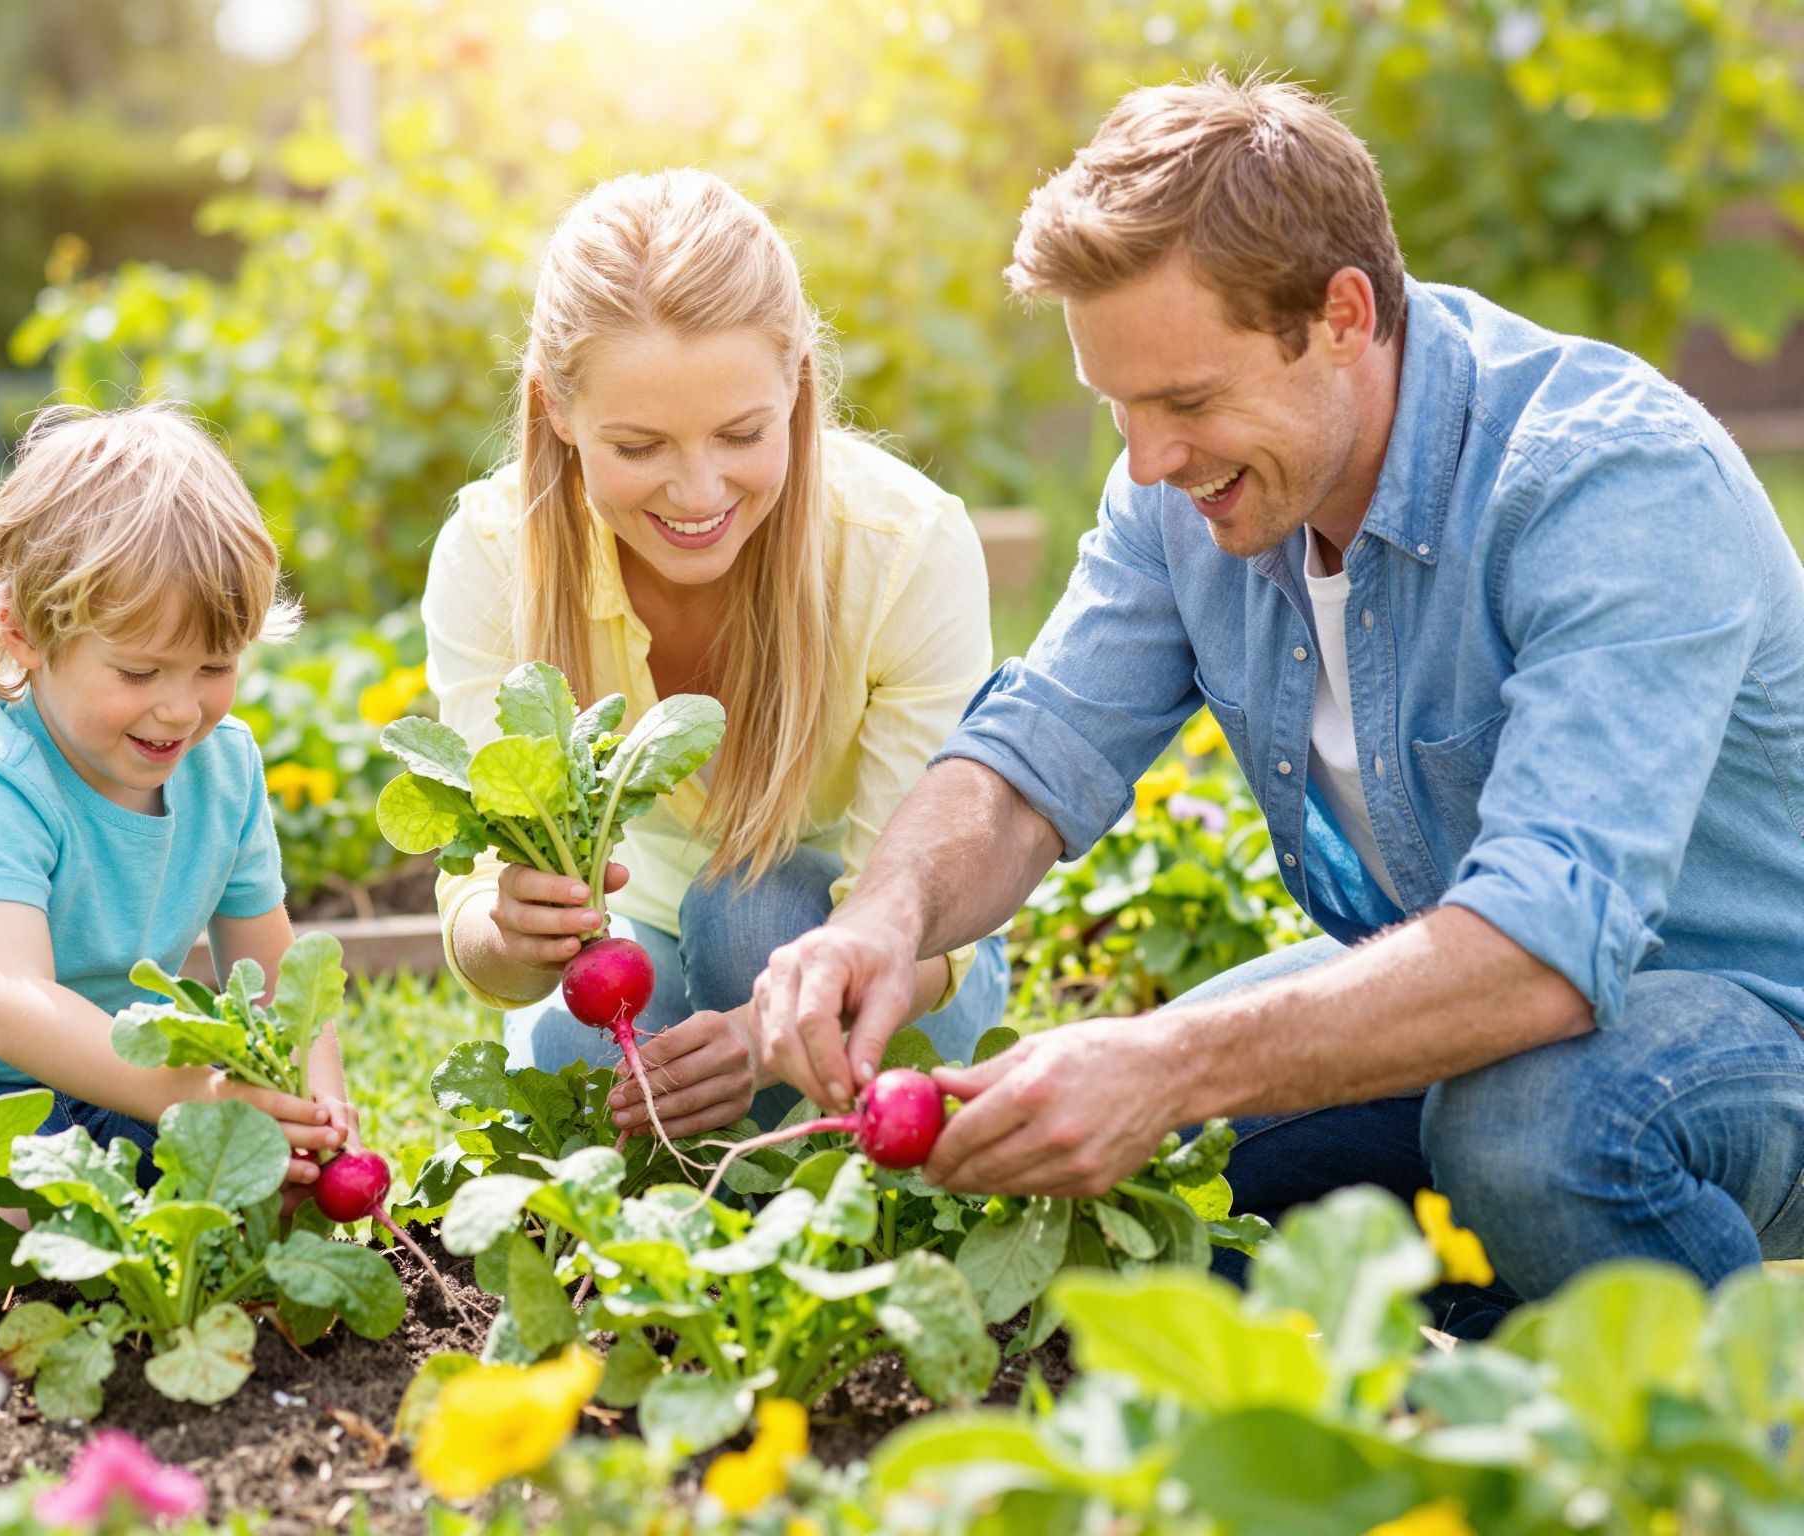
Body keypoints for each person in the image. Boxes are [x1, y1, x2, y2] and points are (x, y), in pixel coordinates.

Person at [747, 72, 1804, 1322]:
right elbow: (1032, 756)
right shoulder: (1191, 493)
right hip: (1472, 1030)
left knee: (1531, 1130)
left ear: (1342, 315)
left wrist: (1164, 1062)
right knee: (1140, 1188)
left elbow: (1542, 956)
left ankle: (1706, 1465)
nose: (1147, 461)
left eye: (1187, 401)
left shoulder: (1603, 484)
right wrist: (878, 919)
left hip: (1747, 1028)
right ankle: (1421, 1434)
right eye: (1120, 409)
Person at [421, 168, 1007, 1136]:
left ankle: (800, 1167)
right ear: (558, 412)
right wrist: (509, 934)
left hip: (883, 957)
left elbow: (923, 917)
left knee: (750, 911)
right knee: (577, 1054)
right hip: (643, 936)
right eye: (640, 446)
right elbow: (477, 914)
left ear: (796, 385)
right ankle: (732, 1180)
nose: (696, 494)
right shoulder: (494, 554)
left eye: (740, 434)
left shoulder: (904, 550)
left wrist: (754, 1034)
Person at [0, 403, 357, 1196]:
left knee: (236, 1184)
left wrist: (318, 1103)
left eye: (214, 668)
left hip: (99, 1089)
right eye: (139, 673)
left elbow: (276, 972)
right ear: (27, 636)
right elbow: (15, 1006)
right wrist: (195, 1097)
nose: (180, 709)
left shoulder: (223, 768)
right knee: (11, 1204)